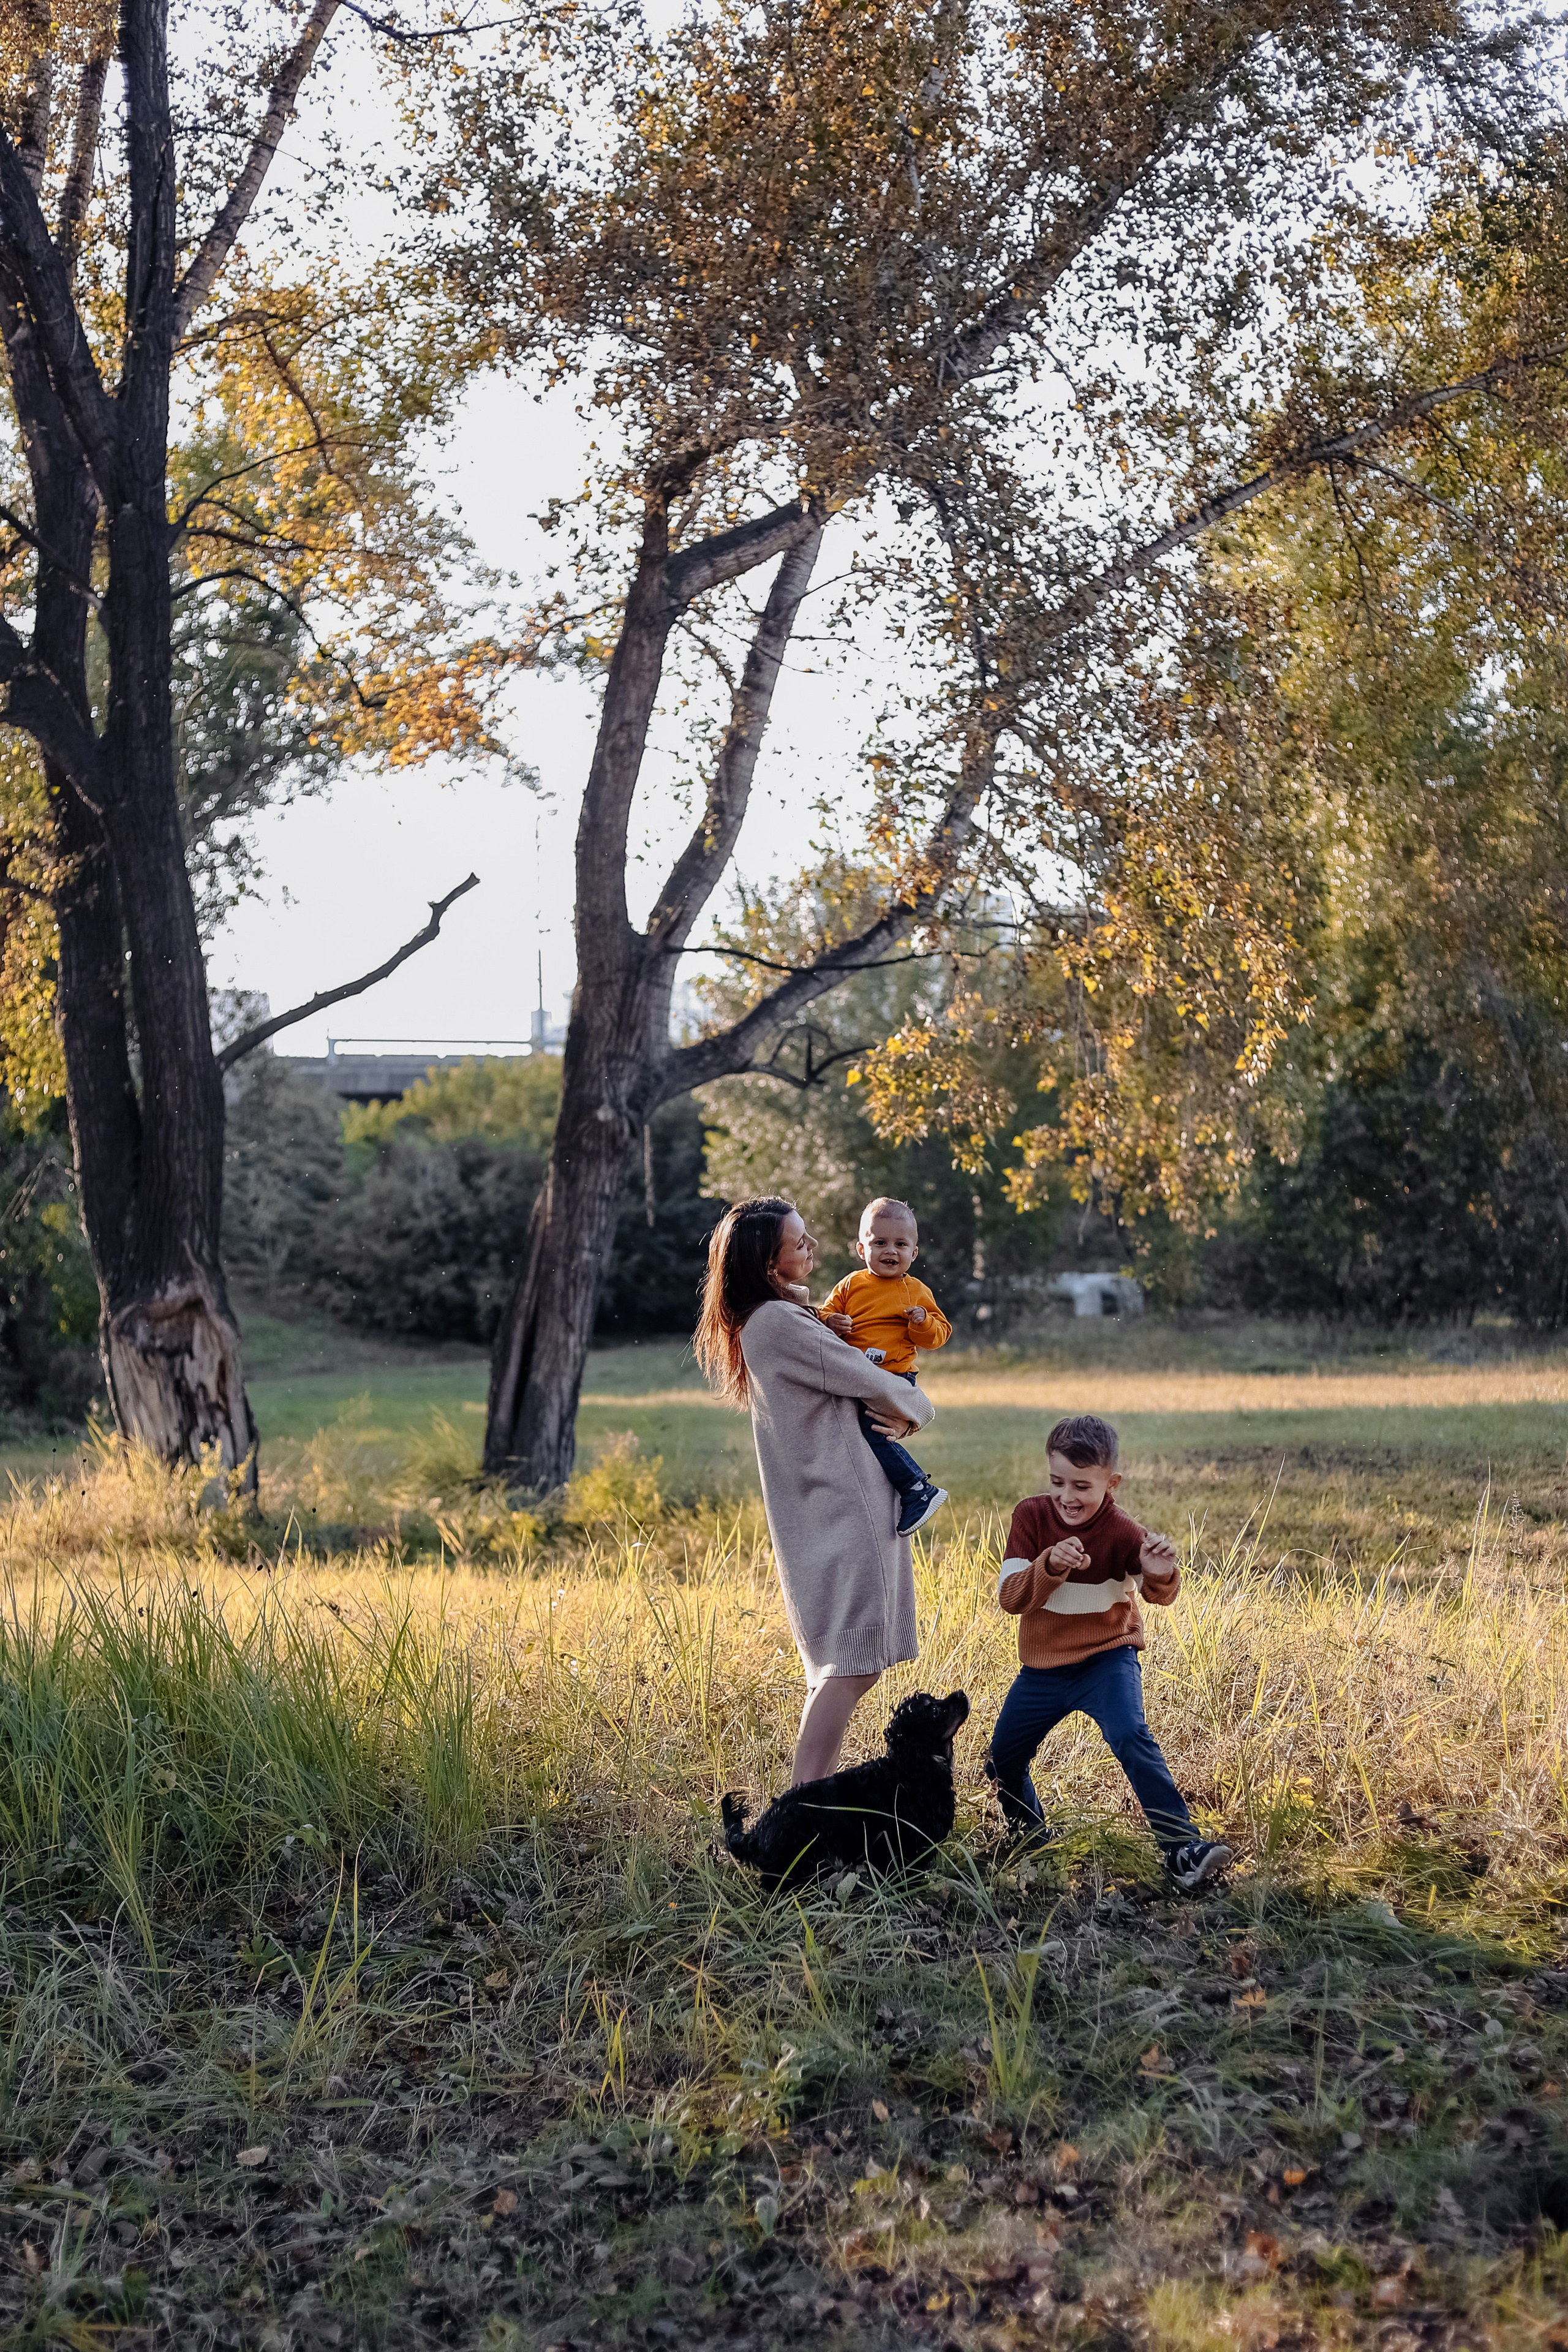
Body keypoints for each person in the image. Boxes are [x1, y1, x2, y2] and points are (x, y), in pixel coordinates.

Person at [695, 1194, 938, 1785]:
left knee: (840, 1661)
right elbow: (862, 1376)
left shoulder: (774, 1318)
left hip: (826, 1499)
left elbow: (848, 1374)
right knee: (850, 1666)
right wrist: (918, 1409)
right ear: (767, 1262)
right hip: (842, 1501)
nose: (812, 1248)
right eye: (797, 1243)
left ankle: (808, 1801)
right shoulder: (779, 1323)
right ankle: (802, 1806)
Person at [985, 1412, 1232, 1891]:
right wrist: (1050, 1564)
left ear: (1111, 1482)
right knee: (1003, 1759)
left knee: (1131, 1735)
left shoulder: (1122, 1532)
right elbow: (1011, 1598)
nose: (1068, 1496)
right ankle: (1030, 1837)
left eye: (1082, 1486)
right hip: (1043, 1669)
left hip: (1107, 1658)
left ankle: (1182, 1849)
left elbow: (1160, 1595)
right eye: (1058, 1481)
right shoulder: (1031, 1517)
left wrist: (1158, 1571)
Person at [818, 1197, 951, 1537]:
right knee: (856, 1436)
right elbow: (821, 1314)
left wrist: (921, 1323)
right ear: (861, 1249)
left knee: (872, 1431)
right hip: (856, 1375)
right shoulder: (851, 1285)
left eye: (900, 1244)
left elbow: (940, 1334)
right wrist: (832, 1321)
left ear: (914, 1253)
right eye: (880, 1243)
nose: (890, 1251)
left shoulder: (916, 1291)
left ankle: (917, 1488)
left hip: (894, 1377)